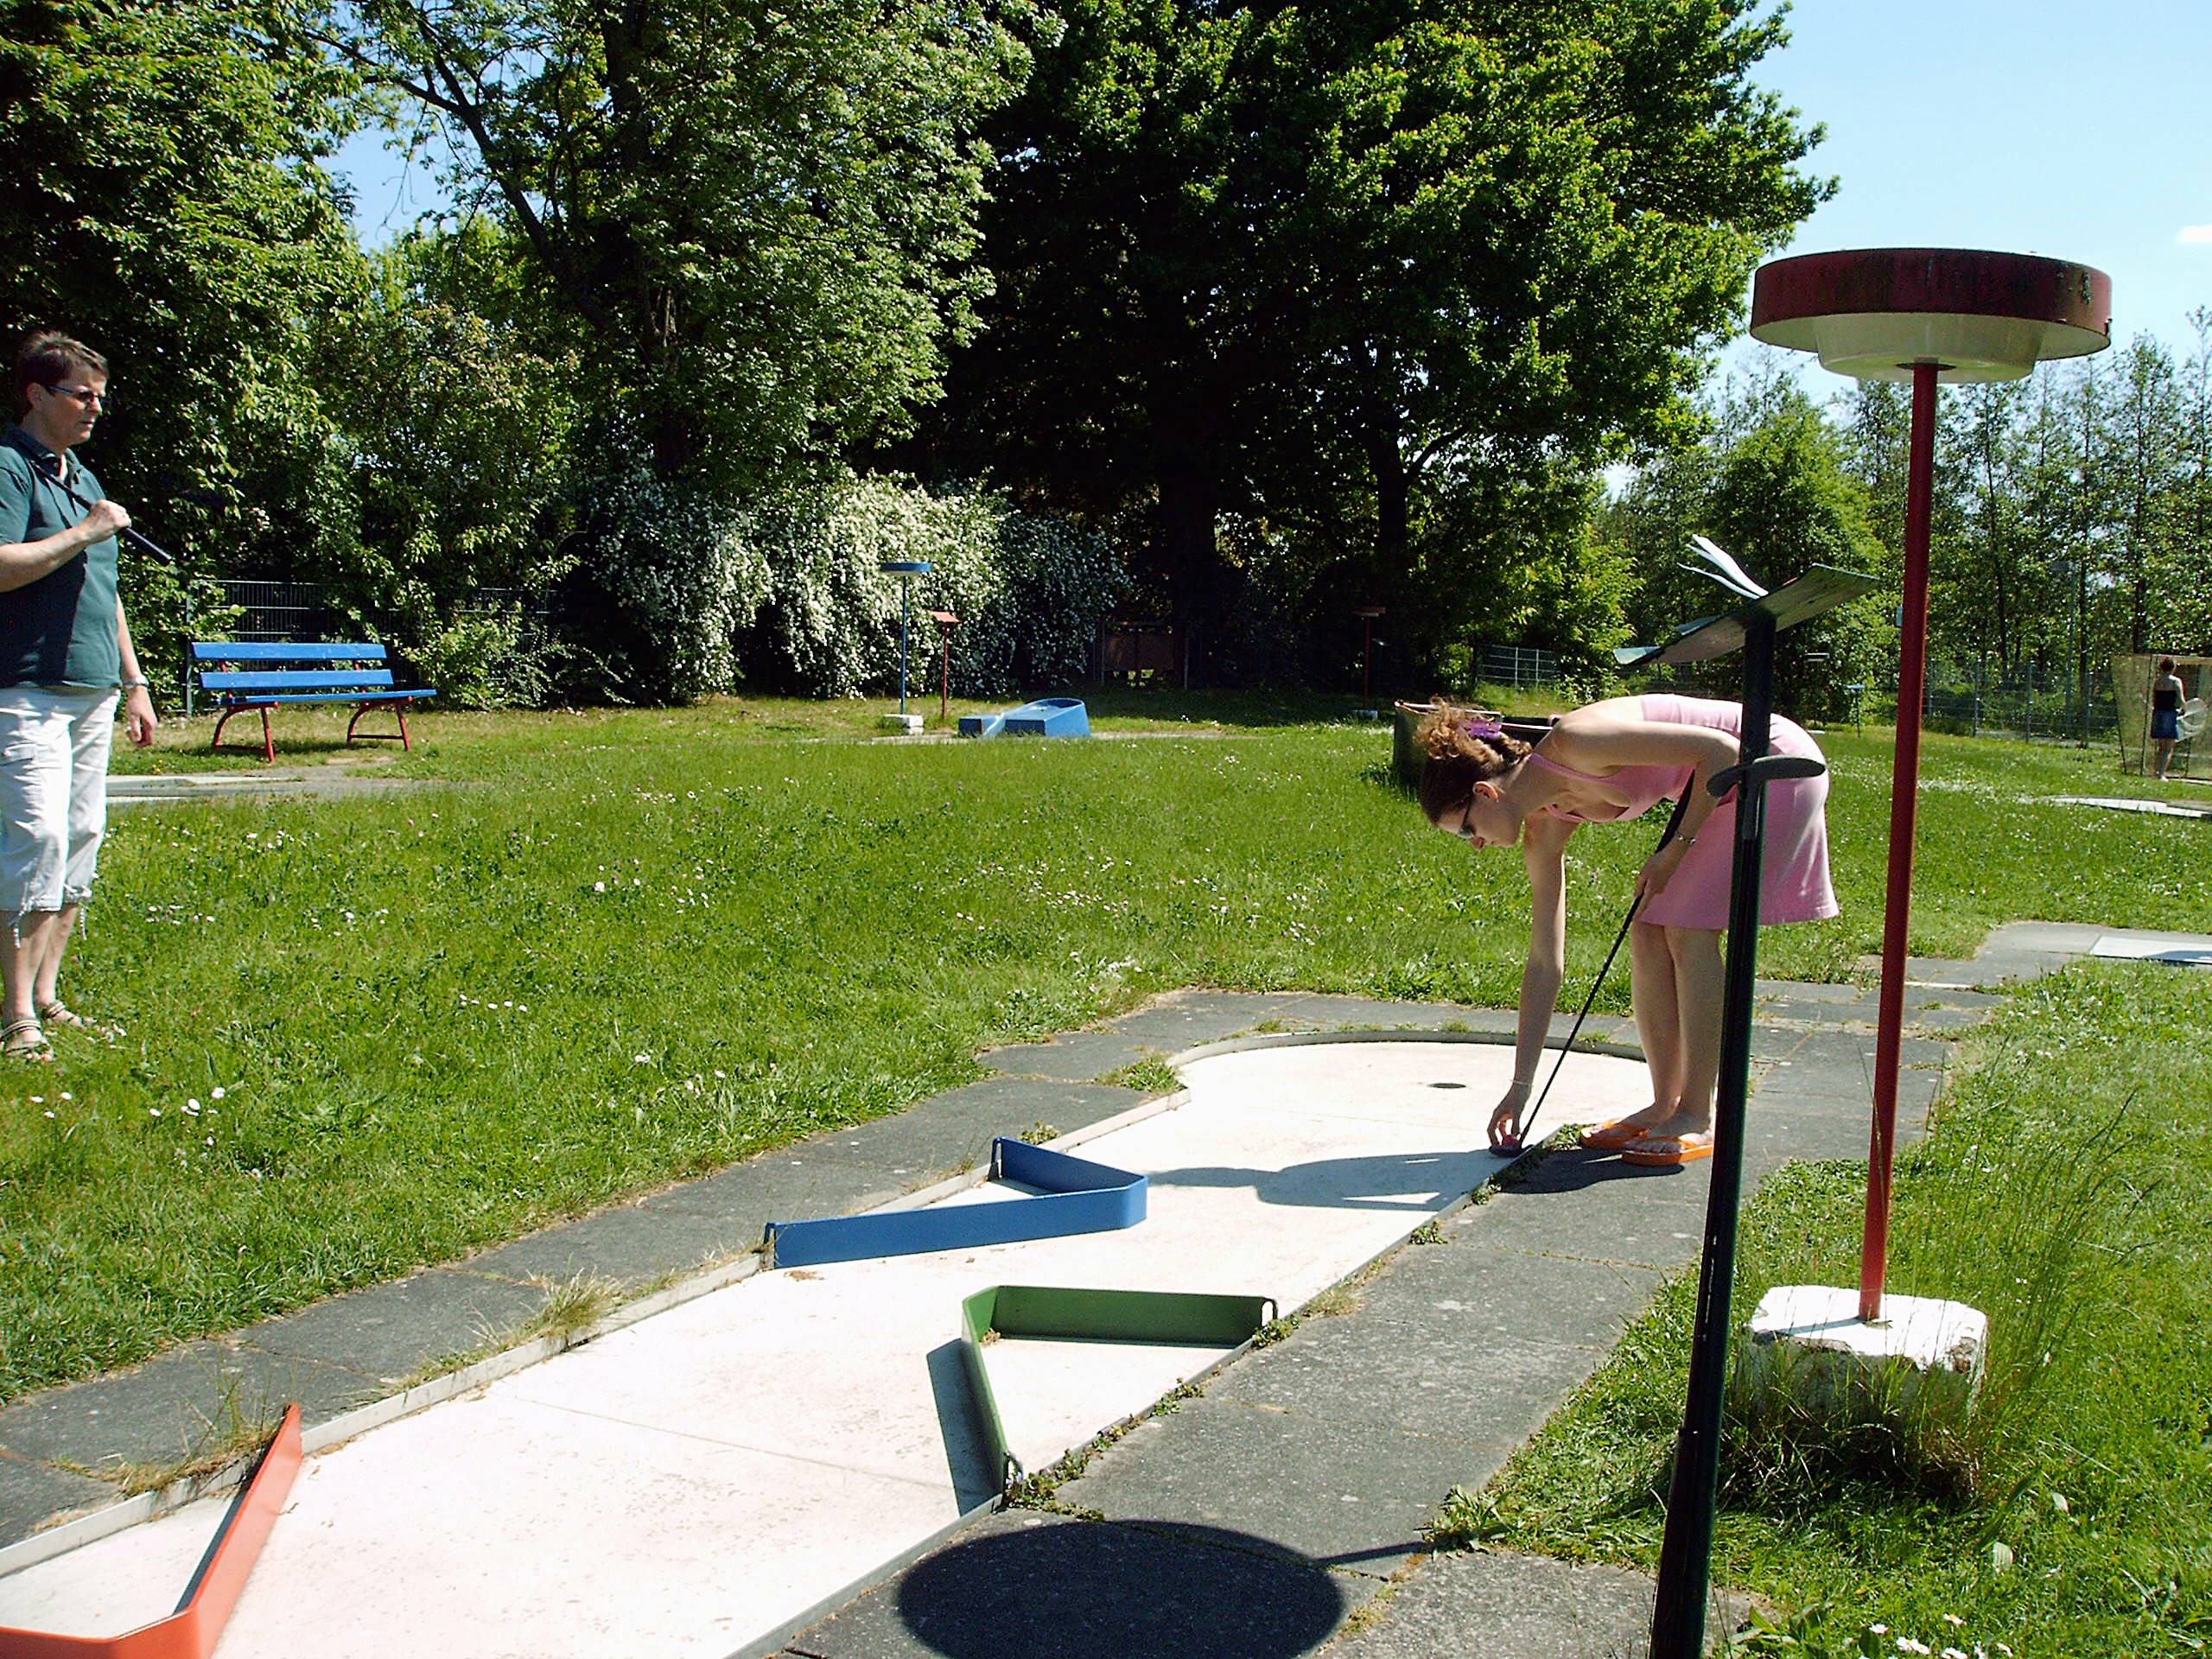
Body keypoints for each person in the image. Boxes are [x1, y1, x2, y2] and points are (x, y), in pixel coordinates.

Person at [1416, 692, 1837, 1166]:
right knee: (1647, 930)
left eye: (1466, 830)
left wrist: (1674, 851)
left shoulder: (1577, 742)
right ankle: (1664, 1104)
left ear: (1485, 793)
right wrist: (1520, 1087)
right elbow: (1544, 963)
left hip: (1771, 763)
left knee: (1686, 929)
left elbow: (1722, 751)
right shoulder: (1545, 827)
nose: (1475, 845)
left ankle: (1697, 1113)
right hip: (1722, 784)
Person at [0, 331, 158, 1060]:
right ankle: (15, 1018)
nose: (96, 408)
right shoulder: (10, 467)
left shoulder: (83, 475)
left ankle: (46, 995)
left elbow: (108, 592)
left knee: (81, 839)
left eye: (101, 397)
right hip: (26, 685)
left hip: (93, 686)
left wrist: (135, 682)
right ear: (37, 394)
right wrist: (86, 530)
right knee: (37, 840)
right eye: (82, 395)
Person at [2148, 655, 2184, 782]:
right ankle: (2161, 775)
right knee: (2168, 748)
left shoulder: (2157, 681)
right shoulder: (2175, 681)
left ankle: (2156, 772)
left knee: (2161, 746)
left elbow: (2154, 698)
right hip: (2170, 714)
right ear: (2173, 668)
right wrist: (2183, 709)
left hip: (2158, 713)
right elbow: (2180, 699)